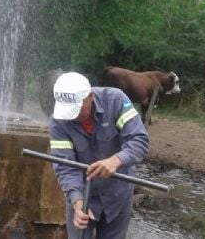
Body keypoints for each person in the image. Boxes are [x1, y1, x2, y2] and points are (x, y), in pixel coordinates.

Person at [48, 71, 149, 239]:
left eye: (78, 109)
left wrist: (116, 160)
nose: (73, 116)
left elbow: (139, 140)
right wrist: (78, 202)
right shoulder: (58, 121)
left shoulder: (116, 101)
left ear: (90, 97)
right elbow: (65, 166)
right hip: (82, 195)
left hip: (117, 195)